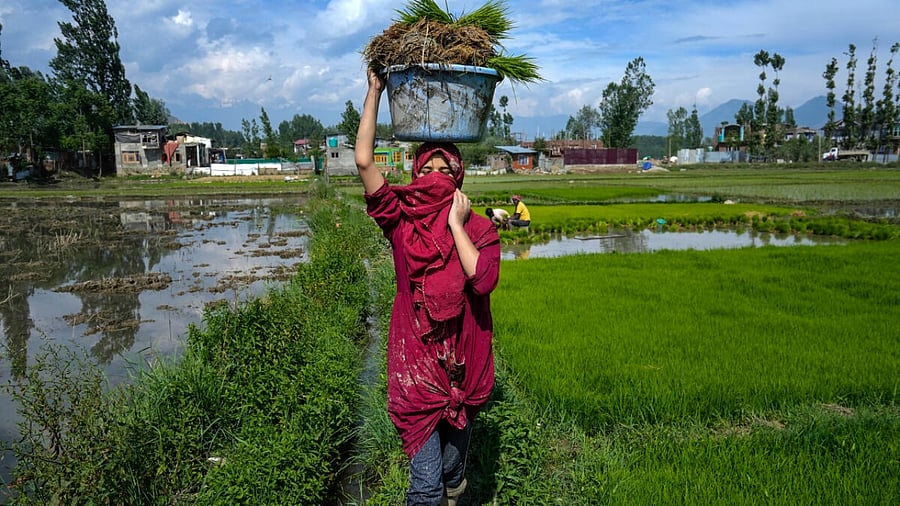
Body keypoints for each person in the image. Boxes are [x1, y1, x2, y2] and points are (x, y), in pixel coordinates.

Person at [355, 68, 500, 506]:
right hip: (415, 366)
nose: (435, 177)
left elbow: (484, 279)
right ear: (416, 174)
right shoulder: (401, 222)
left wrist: (456, 226)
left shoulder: (478, 227)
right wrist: (375, 91)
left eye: (445, 170)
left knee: (454, 468)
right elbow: (364, 161)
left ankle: (457, 488)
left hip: (464, 364)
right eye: (427, 169)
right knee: (425, 486)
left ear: (458, 179)